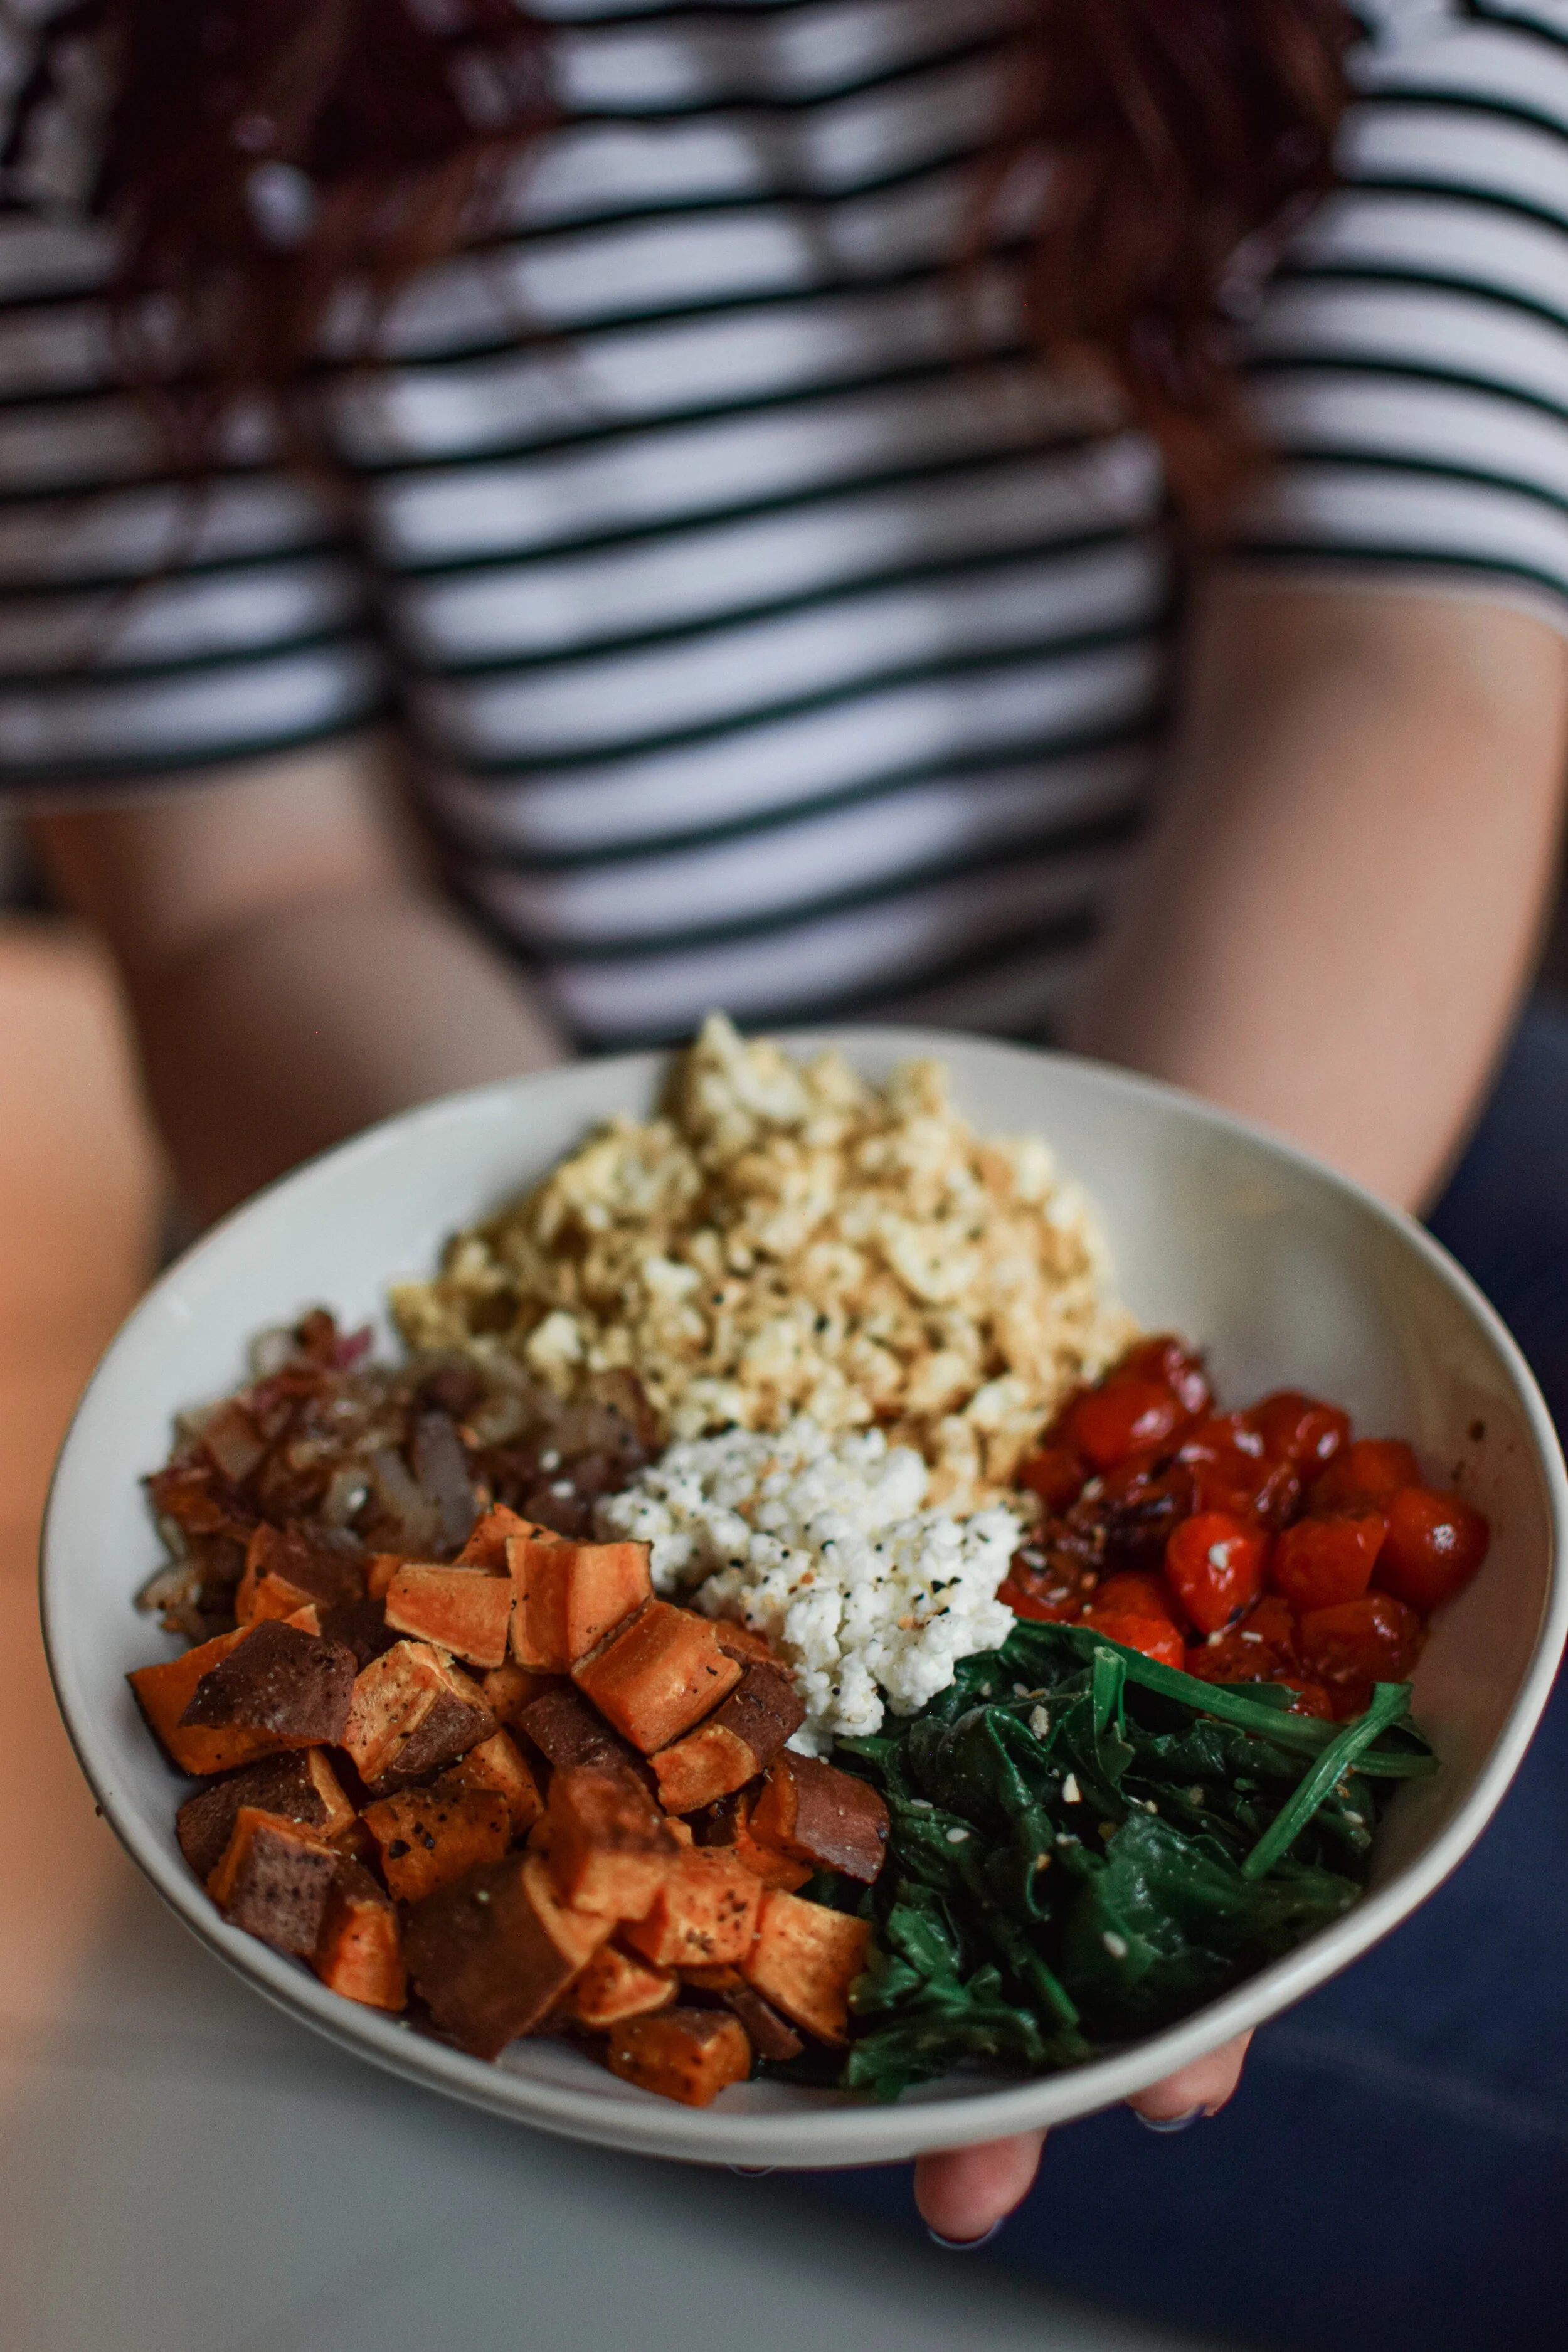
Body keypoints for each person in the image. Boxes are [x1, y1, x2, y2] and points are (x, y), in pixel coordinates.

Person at [3, 1, 1565, 2341]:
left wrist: (1163, 1311)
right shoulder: (111, 78)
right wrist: (558, 1296)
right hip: (510, 1128)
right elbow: (255, 894)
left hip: (1267, 1082)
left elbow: (1396, 656)